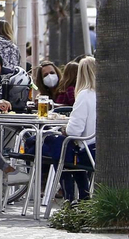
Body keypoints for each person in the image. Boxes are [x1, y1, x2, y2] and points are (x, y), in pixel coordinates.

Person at [40, 56, 97, 200]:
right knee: (66, 151)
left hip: (87, 150)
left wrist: (64, 129)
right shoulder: (105, 95)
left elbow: (74, 131)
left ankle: (70, 197)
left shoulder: (84, 95)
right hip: (97, 149)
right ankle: (81, 196)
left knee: (57, 146)